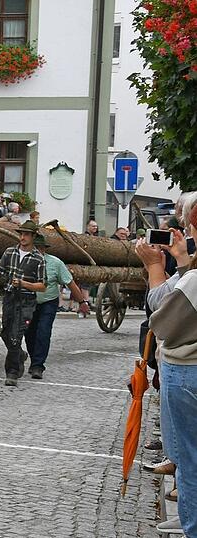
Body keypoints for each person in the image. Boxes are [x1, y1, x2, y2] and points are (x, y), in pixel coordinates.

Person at [138, 207, 197, 536]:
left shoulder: (193, 280)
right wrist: (184, 261)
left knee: (189, 457)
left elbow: (161, 319)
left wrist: (154, 268)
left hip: (187, 368)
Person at [23, 234, 90, 379]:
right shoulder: (24, 261)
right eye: (33, 248)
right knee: (29, 333)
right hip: (29, 303)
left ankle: (38, 366)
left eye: (39, 248)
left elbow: (70, 283)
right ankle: (34, 360)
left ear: (43, 249)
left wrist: (82, 302)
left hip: (48, 302)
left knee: (43, 331)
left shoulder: (55, 263)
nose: (36, 251)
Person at [0, 220, 46, 386]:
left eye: (26, 234)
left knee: (16, 336)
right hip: (9, 297)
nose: (22, 237)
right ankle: (20, 354)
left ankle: (12, 372)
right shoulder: (9, 252)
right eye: (21, 234)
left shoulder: (39, 258)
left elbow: (42, 286)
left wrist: (24, 284)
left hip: (26, 301)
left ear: (33, 236)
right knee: (5, 333)